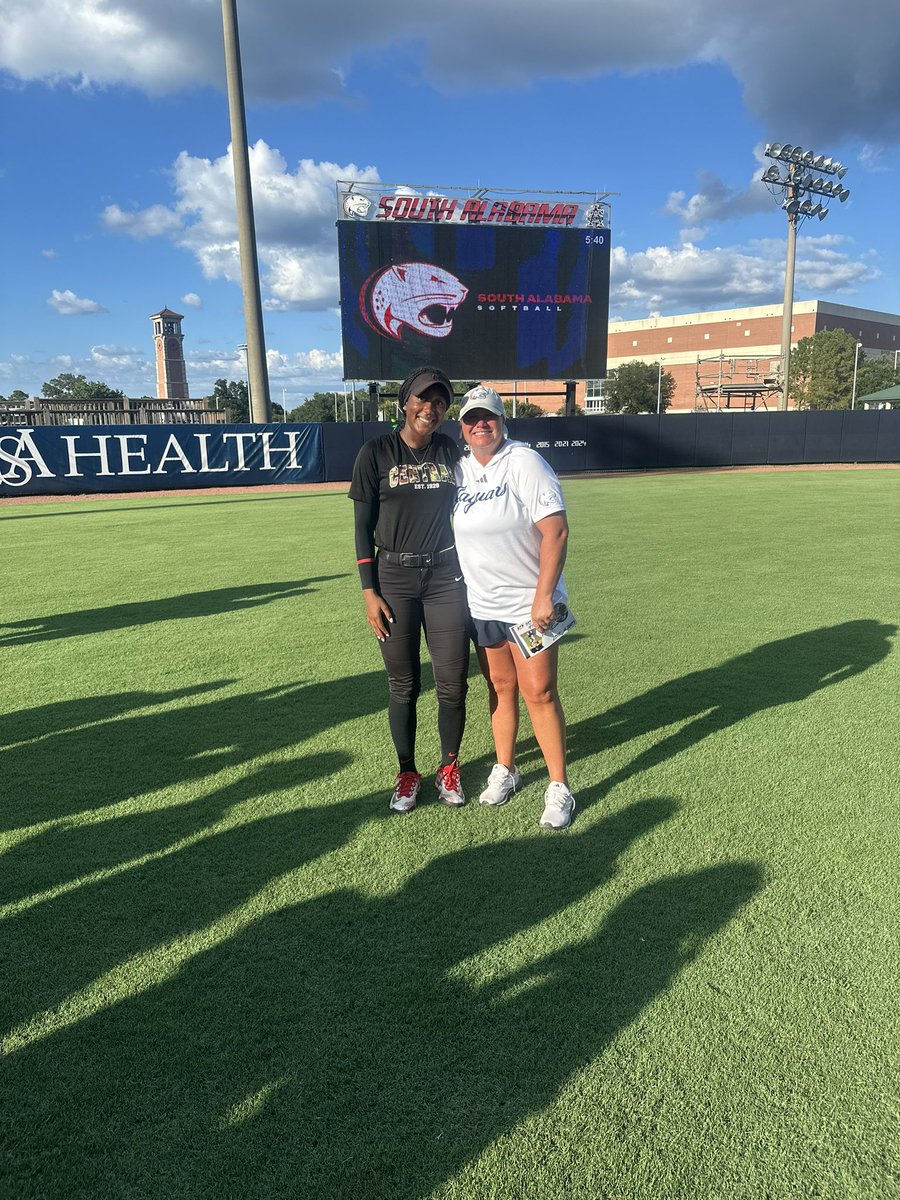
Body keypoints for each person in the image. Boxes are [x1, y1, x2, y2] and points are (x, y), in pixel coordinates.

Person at [452, 385, 575, 829]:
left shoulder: (523, 462)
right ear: (462, 426)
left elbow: (556, 531)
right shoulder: (461, 470)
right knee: (500, 688)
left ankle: (559, 786)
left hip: (529, 606)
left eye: (488, 417)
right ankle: (506, 768)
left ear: (502, 421)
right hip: (482, 605)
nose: (480, 424)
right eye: (471, 418)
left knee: (539, 692)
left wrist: (544, 595)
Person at [348, 366, 470, 812]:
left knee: (452, 683)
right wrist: (368, 591)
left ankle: (449, 767)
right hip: (394, 579)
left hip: (445, 578)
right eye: (423, 399)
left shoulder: (450, 450)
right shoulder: (376, 452)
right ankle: (406, 772)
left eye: (439, 402)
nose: (430, 409)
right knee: (403, 684)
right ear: (404, 402)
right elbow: (362, 529)